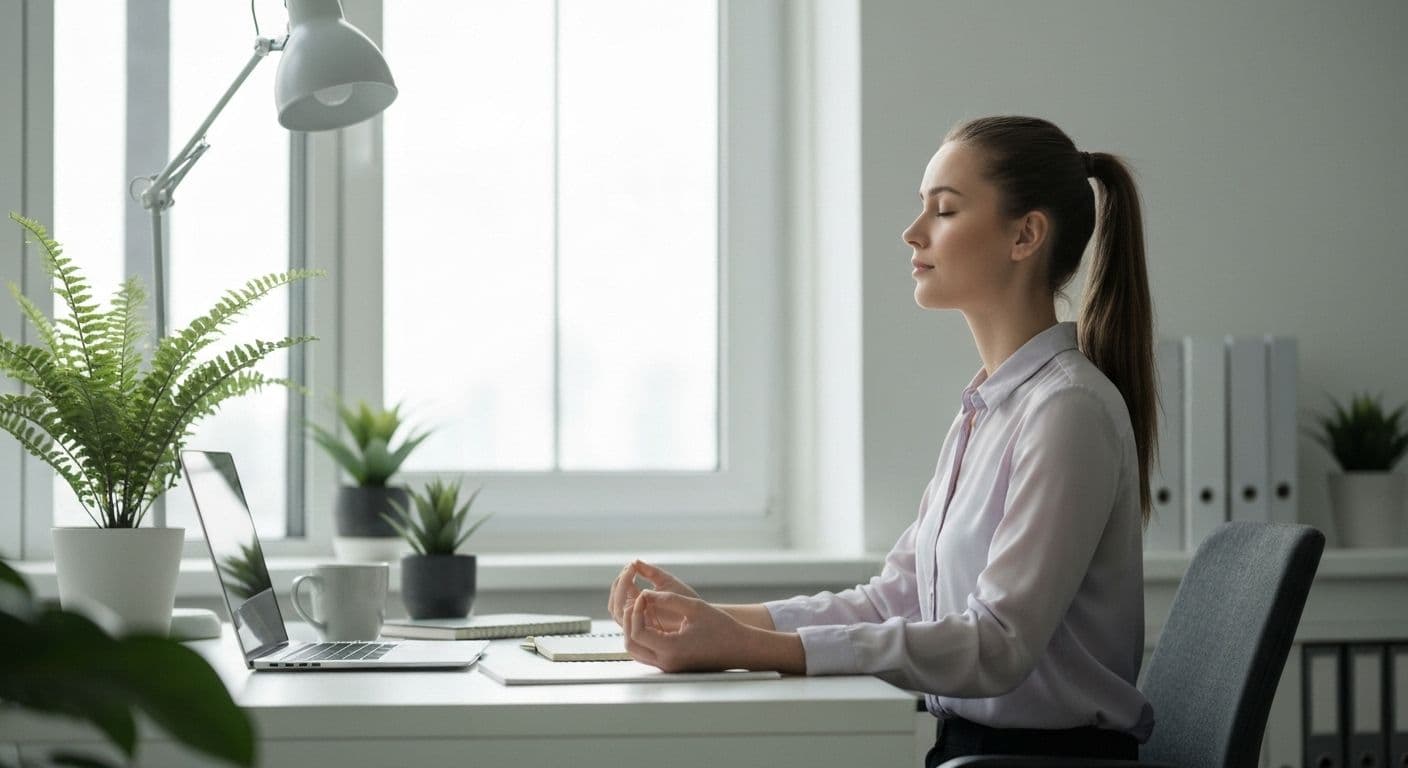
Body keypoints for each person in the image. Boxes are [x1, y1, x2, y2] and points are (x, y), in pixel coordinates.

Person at [607, 115, 1156, 763]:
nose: (913, 232)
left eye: (944, 210)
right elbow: (892, 599)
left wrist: (748, 647)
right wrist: (723, 619)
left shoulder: (1068, 410)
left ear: (1025, 235)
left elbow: (998, 645)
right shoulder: (986, 410)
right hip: (972, 750)